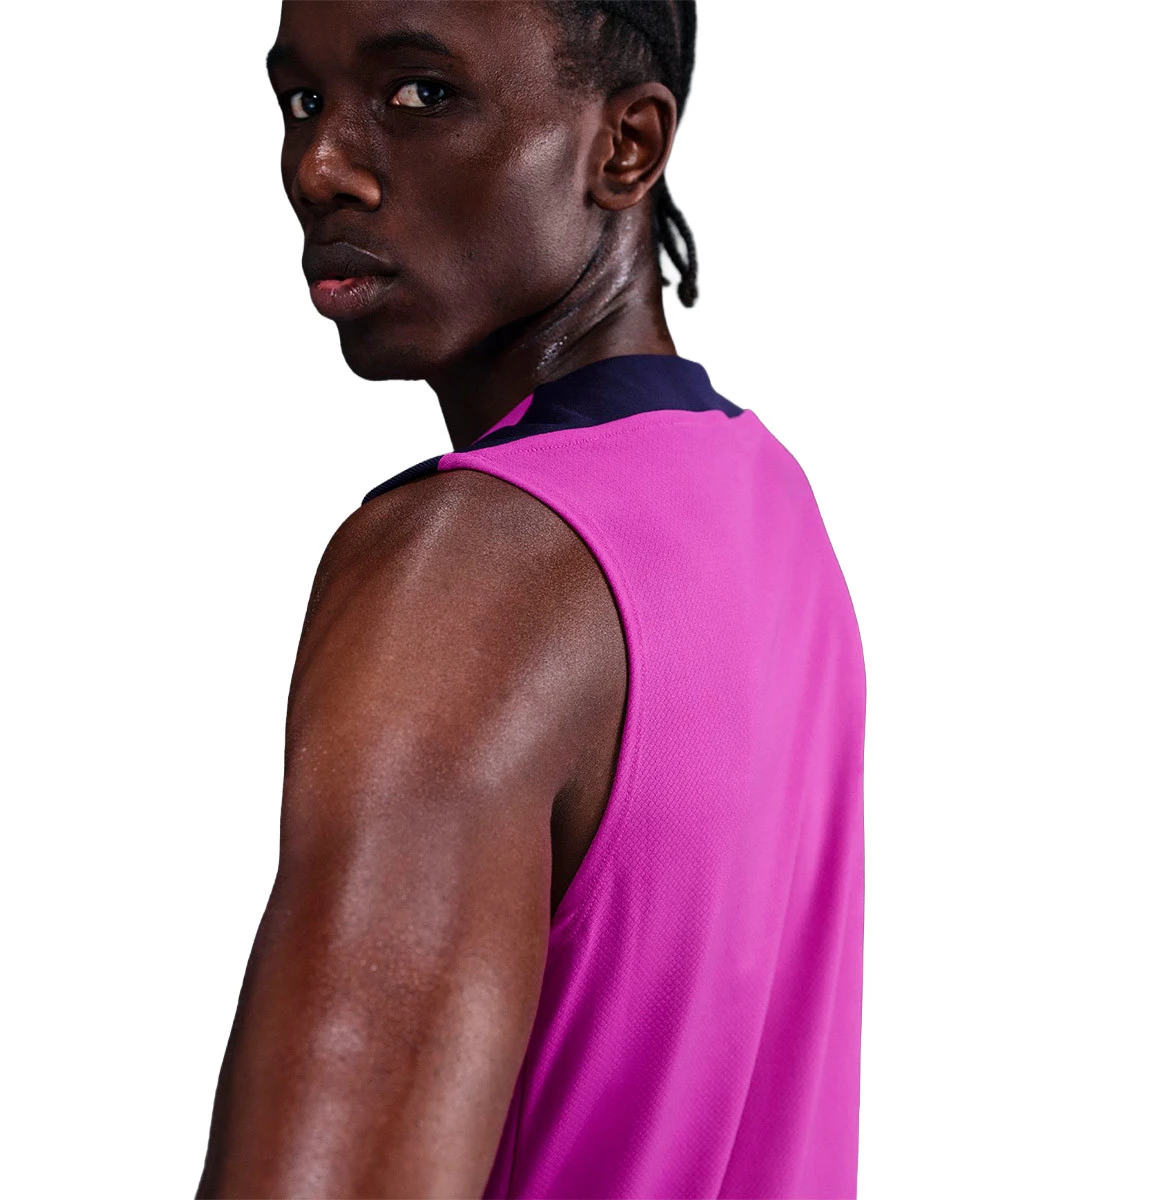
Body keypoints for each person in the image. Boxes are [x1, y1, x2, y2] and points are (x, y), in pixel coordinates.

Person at [197, 2, 866, 1197]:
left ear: (625, 146)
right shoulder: (766, 497)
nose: (320, 166)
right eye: (302, 100)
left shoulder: (470, 566)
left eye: (420, 93)